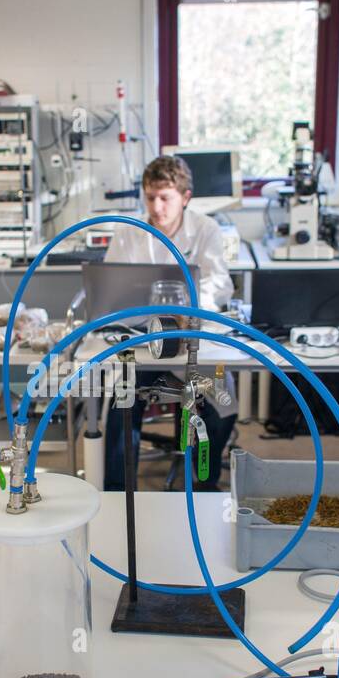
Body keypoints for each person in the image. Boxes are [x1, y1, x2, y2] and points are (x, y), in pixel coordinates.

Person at [102, 155, 237, 491]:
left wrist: (191, 308)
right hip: (144, 342)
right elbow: (111, 288)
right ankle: (119, 495)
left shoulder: (206, 230)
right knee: (121, 404)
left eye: (165, 198)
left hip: (193, 339)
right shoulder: (129, 232)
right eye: (150, 198)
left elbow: (220, 283)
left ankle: (204, 485)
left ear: (185, 197)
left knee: (223, 406)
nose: (156, 207)